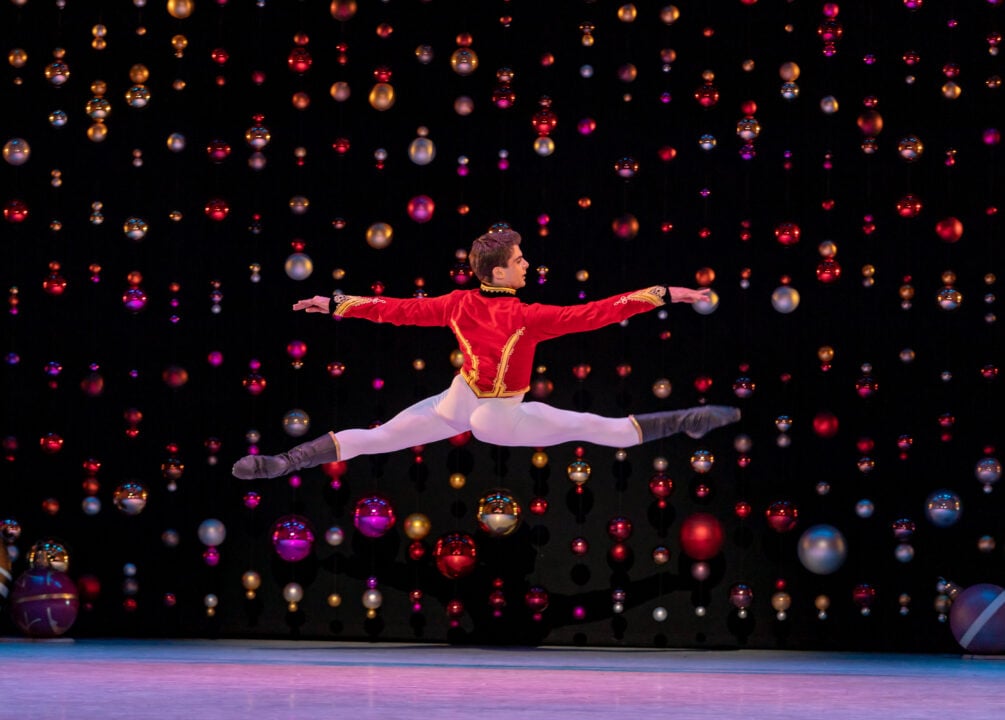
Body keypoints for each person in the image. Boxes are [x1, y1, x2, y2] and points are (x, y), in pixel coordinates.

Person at [232, 226, 740, 480]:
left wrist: (338, 303)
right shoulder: (527, 316)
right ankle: (684, 421)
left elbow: (395, 310)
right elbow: (598, 313)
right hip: (496, 416)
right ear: (497, 272)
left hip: (457, 402)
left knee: (377, 437)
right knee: (594, 427)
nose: (527, 264)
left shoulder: (457, 304)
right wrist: (662, 293)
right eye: (519, 260)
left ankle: (283, 462)